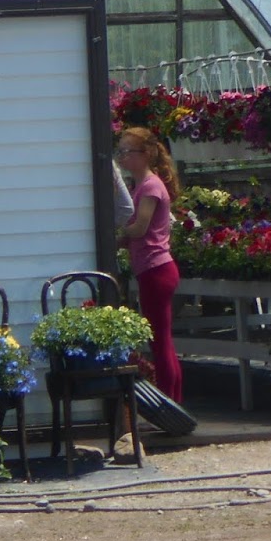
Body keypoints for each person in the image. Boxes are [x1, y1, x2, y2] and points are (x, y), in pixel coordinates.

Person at [116, 126, 183, 403]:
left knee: (160, 341)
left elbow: (141, 228)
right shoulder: (142, 185)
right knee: (161, 340)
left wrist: (116, 231)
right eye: (120, 152)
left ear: (146, 155)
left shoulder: (151, 186)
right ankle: (174, 399)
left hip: (156, 269)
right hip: (152, 269)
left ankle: (170, 401)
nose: (122, 158)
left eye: (127, 152)